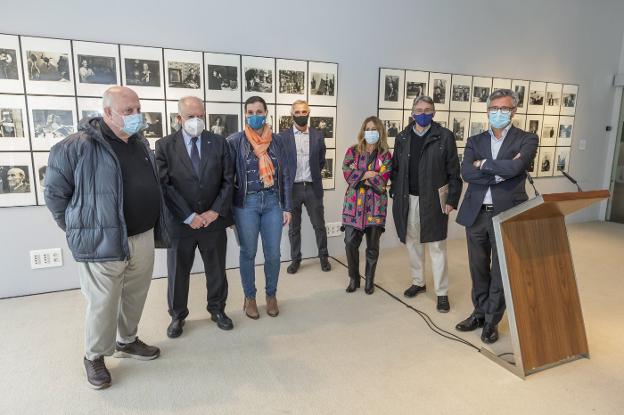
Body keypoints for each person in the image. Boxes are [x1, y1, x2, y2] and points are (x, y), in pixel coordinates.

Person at [44, 86, 169, 389]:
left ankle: (127, 340)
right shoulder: (76, 146)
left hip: (142, 236)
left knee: (135, 294)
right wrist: (80, 228)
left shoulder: (140, 143)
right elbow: (55, 195)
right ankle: (94, 356)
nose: (137, 116)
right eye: (129, 111)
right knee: (102, 302)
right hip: (102, 240)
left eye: (138, 109)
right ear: (108, 112)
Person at [455, 89, 538, 344]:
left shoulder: (527, 139)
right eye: (494, 109)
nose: (498, 113)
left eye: (504, 109)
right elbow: (466, 172)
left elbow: (517, 167)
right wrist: (499, 171)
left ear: (514, 111)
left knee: (500, 271)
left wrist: (485, 164)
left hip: (507, 212)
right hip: (477, 213)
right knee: (478, 267)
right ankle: (479, 313)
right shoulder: (475, 140)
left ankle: (492, 320)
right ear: (488, 111)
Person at [156, 96, 234, 338]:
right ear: (179, 119)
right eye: (191, 117)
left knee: (217, 269)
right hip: (181, 223)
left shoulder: (219, 143)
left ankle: (217, 309)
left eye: (200, 115)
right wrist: (189, 216)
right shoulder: (164, 145)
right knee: (178, 273)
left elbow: (228, 180)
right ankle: (177, 316)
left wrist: (214, 211)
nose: (197, 120)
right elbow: (164, 185)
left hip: (213, 220)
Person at [391, 96, 462, 312]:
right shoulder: (402, 137)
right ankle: (418, 282)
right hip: (408, 198)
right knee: (412, 243)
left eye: (428, 109)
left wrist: (452, 200)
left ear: (434, 112)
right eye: (419, 109)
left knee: (437, 246)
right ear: (412, 112)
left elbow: (454, 172)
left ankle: (442, 292)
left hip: (434, 200)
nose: (423, 113)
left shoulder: (445, 136)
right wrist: (394, 190)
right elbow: (395, 168)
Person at [227, 96, 292, 319]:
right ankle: (250, 297)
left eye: (259, 112)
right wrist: (228, 213)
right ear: (245, 114)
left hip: (273, 201)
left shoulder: (278, 141)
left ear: (266, 113)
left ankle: (271, 295)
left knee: (273, 253)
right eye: (250, 112)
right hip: (247, 204)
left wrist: (288, 207)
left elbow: (285, 174)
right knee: (248, 252)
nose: (255, 116)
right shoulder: (235, 141)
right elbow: (228, 178)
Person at [342, 116, 392, 294]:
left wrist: (361, 175)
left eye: (374, 129)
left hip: (375, 207)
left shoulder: (385, 154)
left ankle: (369, 281)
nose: (371, 132)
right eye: (368, 129)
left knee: (372, 247)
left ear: (380, 132)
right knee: (350, 243)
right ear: (363, 131)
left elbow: (383, 180)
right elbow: (347, 172)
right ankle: (354, 279)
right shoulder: (353, 151)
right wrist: (369, 174)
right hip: (353, 206)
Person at [282, 100, 330, 274]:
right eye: (298, 112)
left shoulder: (318, 135)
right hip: (292, 189)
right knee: (294, 228)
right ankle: (295, 259)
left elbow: (321, 160)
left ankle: (324, 257)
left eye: (304, 112)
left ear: (308, 113)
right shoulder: (283, 137)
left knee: (319, 225)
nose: (301, 115)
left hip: (312, 187)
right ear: (292, 114)